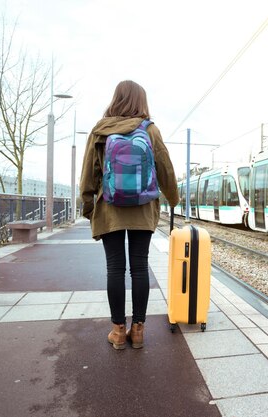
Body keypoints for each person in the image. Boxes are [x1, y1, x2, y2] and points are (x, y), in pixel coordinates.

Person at [80, 80, 179, 350]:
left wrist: (88, 206)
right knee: (139, 267)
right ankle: (138, 330)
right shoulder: (150, 130)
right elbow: (165, 168)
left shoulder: (100, 130)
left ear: (116, 99)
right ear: (141, 101)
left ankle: (118, 331)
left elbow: (89, 173)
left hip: (110, 208)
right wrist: (173, 198)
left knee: (115, 268)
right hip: (144, 209)